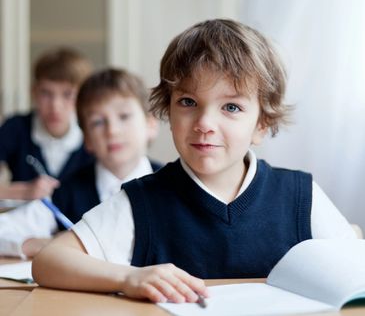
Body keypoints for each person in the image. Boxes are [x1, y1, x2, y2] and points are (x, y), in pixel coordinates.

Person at [33, 19, 356, 304]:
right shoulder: (141, 201)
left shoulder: (300, 195)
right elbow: (49, 261)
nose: (205, 123)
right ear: (168, 113)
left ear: (261, 124)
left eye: (230, 107)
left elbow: (351, 265)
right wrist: (128, 277)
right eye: (188, 102)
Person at [0, 68, 161, 258]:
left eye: (124, 116)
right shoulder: (67, 191)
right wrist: (51, 244)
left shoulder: (175, 186)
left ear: (150, 125)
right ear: (87, 140)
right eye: (98, 122)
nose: (112, 131)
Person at [0, 47, 93, 200]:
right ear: (33, 92)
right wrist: (23, 192)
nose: (55, 106)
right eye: (46, 93)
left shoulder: (93, 133)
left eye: (67, 94)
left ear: (83, 97)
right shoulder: (15, 128)